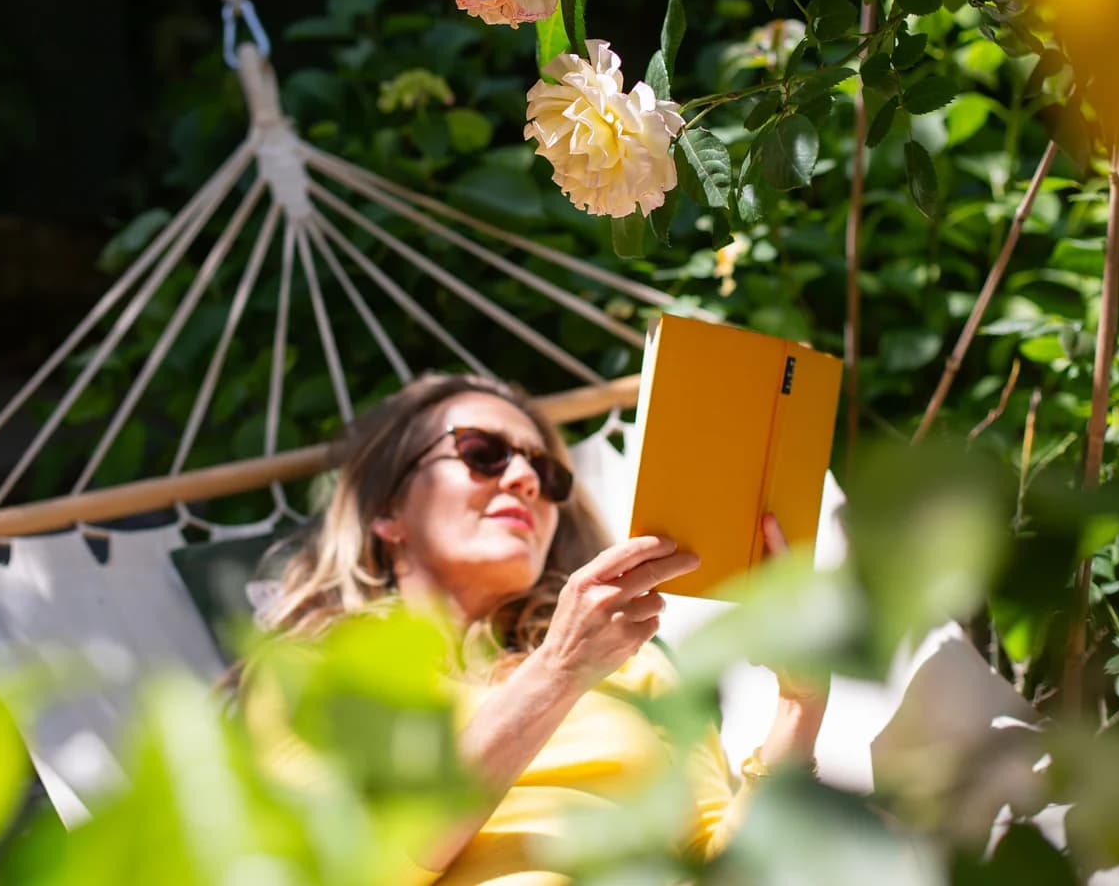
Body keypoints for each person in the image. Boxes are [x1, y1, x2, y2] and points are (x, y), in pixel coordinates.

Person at [248, 372, 828, 884]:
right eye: (482, 452)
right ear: (388, 513)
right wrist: (557, 674)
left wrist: (799, 707)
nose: (525, 477)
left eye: (547, 474)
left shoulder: (633, 663)